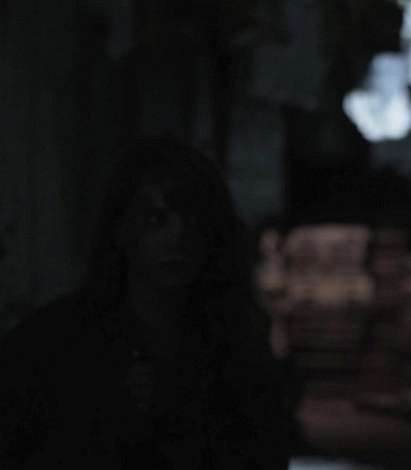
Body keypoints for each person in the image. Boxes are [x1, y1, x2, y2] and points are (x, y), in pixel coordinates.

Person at [0, 136, 294, 469]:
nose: (177, 237)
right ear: (122, 228)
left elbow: (266, 450)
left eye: (193, 220)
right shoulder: (53, 343)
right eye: (156, 219)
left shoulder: (236, 347)